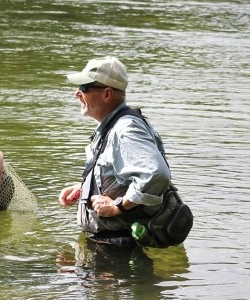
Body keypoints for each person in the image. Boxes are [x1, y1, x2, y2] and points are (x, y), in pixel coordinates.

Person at [58, 56, 171, 246]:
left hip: (120, 252)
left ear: (107, 94)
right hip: (109, 246)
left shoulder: (125, 128)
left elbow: (156, 174)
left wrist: (117, 206)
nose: (77, 93)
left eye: (84, 88)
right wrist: (85, 188)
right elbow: (120, 175)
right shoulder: (114, 124)